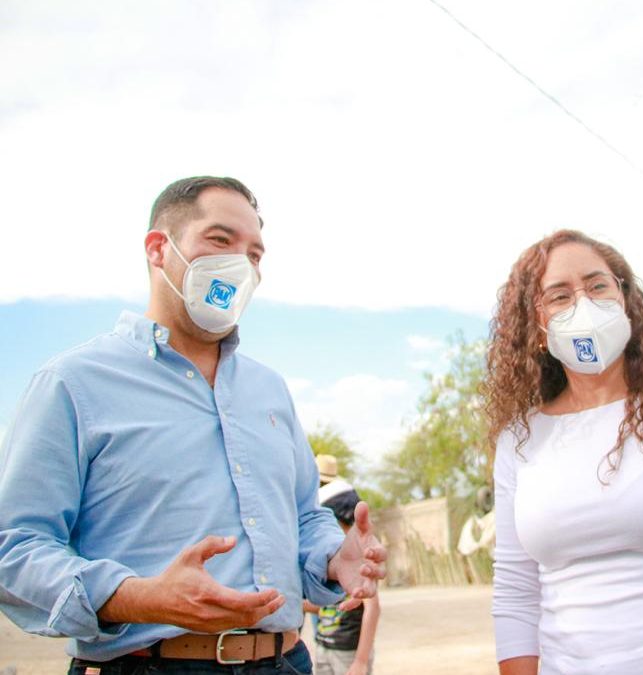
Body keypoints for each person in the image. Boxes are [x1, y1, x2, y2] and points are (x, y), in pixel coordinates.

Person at [0, 176, 387, 674]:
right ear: (159, 249)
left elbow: (304, 518)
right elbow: (15, 547)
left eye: (255, 254)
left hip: (284, 660)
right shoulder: (73, 383)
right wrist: (137, 597)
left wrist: (335, 559)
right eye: (221, 241)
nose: (242, 265)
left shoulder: (269, 390)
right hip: (147, 663)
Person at [485, 230, 643, 674]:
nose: (584, 303)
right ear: (537, 327)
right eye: (560, 296)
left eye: (597, 285)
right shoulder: (519, 441)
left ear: (625, 300)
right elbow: (516, 591)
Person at [304, 480, 380, 675]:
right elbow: (327, 606)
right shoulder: (327, 560)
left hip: (348, 652)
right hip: (324, 647)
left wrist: (361, 661)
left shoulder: (360, 558)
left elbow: (372, 609)